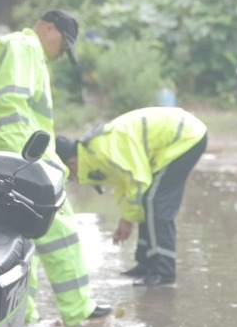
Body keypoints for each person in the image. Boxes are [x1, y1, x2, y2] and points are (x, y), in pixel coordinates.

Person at [0, 9, 111, 325]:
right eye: (64, 44)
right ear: (48, 28)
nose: (63, 53)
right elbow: (12, 110)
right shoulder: (23, 48)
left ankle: (23, 316)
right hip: (20, 164)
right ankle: (80, 312)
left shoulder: (24, 52)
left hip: (8, 163)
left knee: (24, 241)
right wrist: (34, 166)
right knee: (60, 227)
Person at [55, 107, 208, 287]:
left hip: (185, 137)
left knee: (154, 200)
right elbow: (125, 185)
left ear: (72, 162)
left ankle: (164, 271)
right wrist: (127, 217)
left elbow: (138, 180)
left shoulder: (101, 151)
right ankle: (146, 263)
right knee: (147, 200)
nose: (71, 179)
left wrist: (128, 220)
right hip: (181, 134)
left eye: (67, 174)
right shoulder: (93, 154)